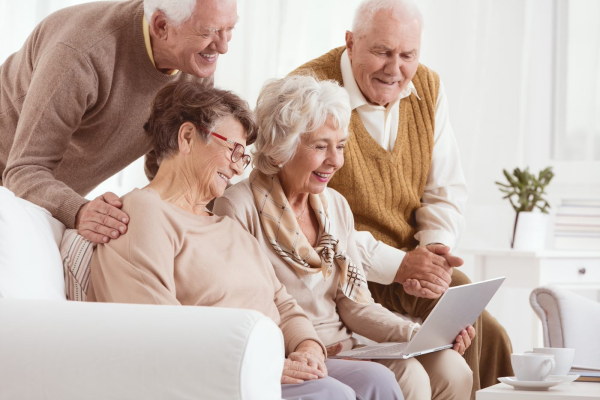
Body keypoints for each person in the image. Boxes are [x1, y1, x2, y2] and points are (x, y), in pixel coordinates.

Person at [87, 81, 404, 400]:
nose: (238, 166)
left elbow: (283, 303)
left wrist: (307, 347)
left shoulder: (225, 226)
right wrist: (258, 365)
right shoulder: (144, 213)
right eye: (233, 150)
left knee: (376, 379)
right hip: (219, 374)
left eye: (244, 156)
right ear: (187, 138)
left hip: (265, 364)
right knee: (333, 395)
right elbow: (158, 329)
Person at [288, 0, 513, 396]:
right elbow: (309, 217)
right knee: (471, 334)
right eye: (382, 52)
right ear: (351, 43)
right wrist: (401, 265)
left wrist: (433, 257)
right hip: (347, 271)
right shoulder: (310, 91)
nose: (395, 69)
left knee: (487, 332)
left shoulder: (427, 86)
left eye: (407, 55)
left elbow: (444, 189)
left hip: (411, 264)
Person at [214, 75, 474, 400]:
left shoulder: (334, 206)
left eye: (340, 146)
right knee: (410, 378)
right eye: (321, 146)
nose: (335, 161)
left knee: (452, 368)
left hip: (350, 348)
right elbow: (243, 308)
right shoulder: (237, 206)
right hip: (295, 355)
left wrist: (421, 334)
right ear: (283, 146)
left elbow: (356, 306)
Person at [0, 0, 236, 244]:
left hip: (36, 199)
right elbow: (23, 171)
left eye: (230, 29)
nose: (224, 46)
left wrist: (232, 210)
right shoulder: (80, 55)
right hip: (12, 185)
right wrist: (80, 211)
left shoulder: (193, 69)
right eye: (208, 32)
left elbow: (170, 165)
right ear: (162, 26)